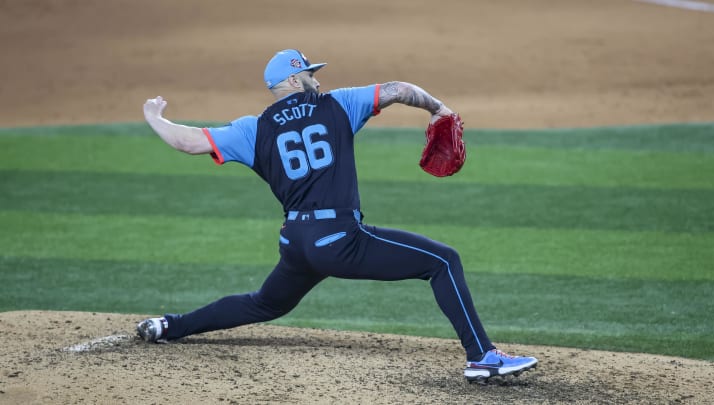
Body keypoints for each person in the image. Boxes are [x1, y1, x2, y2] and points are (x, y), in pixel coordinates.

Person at [137, 49, 537, 382]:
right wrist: (437, 108)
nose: (316, 79)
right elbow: (398, 89)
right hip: (340, 240)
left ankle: (170, 326)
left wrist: (156, 118)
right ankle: (482, 356)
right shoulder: (339, 104)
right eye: (309, 74)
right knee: (443, 261)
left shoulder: (252, 129)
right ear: (294, 81)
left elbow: (187, 142)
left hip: (296, 244)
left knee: (265, 303)